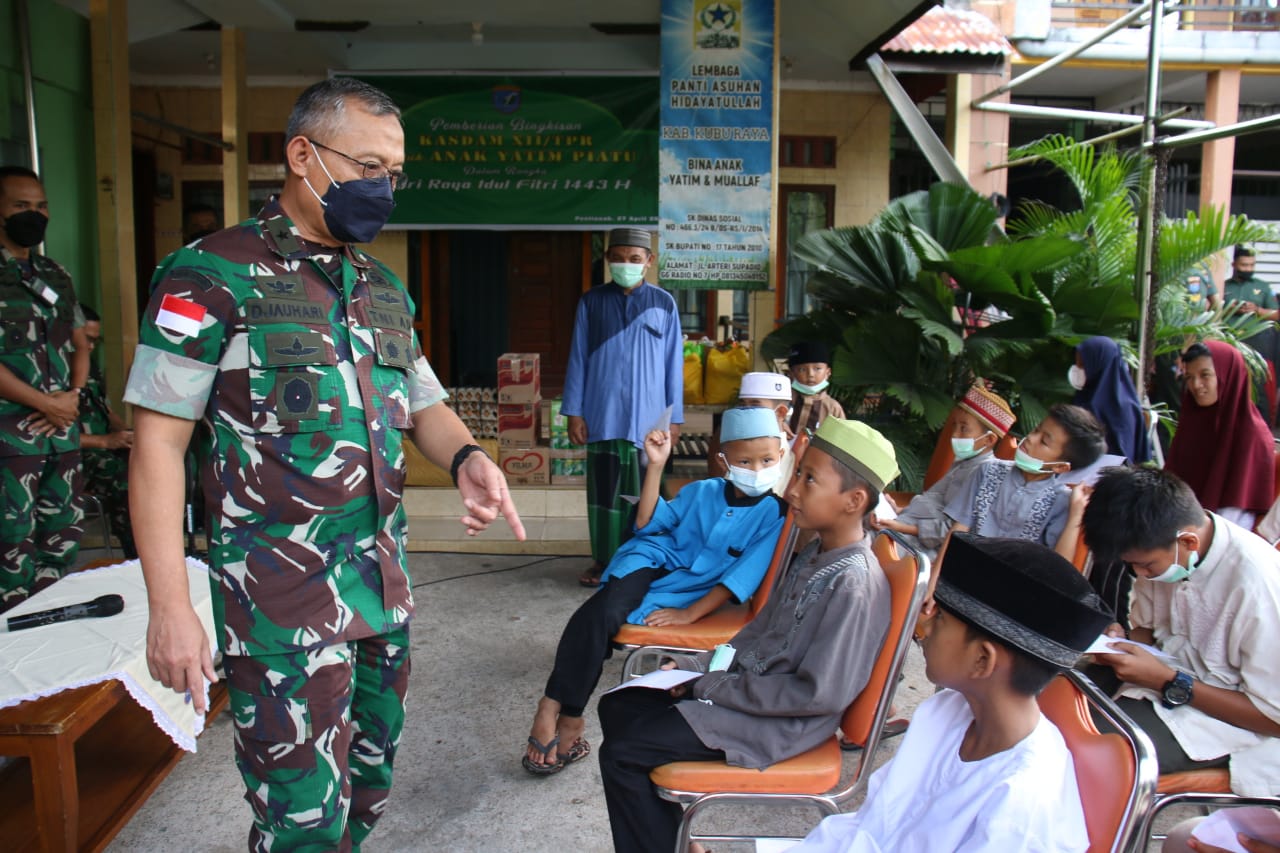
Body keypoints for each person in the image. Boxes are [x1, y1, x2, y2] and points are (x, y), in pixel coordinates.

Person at [124, 77, 525, 851]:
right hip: (278, 606)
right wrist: (171, 606)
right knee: (301, 820)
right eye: (367, 165)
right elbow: (158, 447)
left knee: (366, 796)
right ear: (303, 155)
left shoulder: (380, 288)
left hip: (380, 594)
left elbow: (423, 400)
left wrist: (470, 455)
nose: (382, 187)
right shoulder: (209, 275)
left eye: (394, 172)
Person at [597, 417, 898, 853]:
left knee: (623, 753)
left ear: (853, 500)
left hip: (779, 723)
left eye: (809, 479)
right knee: (621, 705)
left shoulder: (852, 584)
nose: (792, 489)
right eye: (797, 473)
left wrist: (712, 685)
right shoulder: (817, 553)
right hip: (749, 697)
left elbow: (818, 695)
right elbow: (757, 633)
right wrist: (693, 666)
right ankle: (679, 843)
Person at [789, 534, 1114, 852]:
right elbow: (871, 827)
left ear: (982, 659)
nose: (924, 629)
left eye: (940, 618)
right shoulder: (944, 711)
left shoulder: (1020, 808)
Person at [524, 407, 787, 776]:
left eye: (766, 459)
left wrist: (690, 614)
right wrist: (656, 466)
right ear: (724, 460)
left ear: (782, 457)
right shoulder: (703, 490)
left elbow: (740, 579)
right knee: (602, 613)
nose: (757, 469)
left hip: (689, 590)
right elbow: (648, 522)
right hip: (650, 559)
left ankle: (560, 709)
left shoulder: (776, 514)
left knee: (600, 618)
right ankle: (561, 711)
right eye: (745, 460)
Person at [1082, 466, 1280, 796]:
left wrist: (1169, 681)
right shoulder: (1167, 550)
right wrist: (1121, 643)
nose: (1139, 573)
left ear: (1188, 541)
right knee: (1044, 708)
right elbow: (1150, 629)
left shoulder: (1259, 589)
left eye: (1146, 566)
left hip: (1229, 723)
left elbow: (1273, 717)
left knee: (1085, 752)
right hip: (1160, 681)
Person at [563, 227, 683, 588]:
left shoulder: (664, 304)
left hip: (650, 421)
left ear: (649, 261)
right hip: (603, 415)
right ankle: (603, 561)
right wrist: (574, 411)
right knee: (604, 494)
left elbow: (673, 364)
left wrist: (674, 418)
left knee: (643, 492)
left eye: (634, 258)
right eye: (618, 257)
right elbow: (578, 359)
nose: (626, 264)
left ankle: (640, 561)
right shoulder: (591, 302)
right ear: (607, 259)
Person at [0, 164, 90, 611]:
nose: (34, 215)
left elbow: (80, 343)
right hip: (12, 439)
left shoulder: (54, 274)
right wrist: (44, 404)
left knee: (63, 539)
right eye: (21, 206)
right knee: (10, 547)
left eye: (40, 206)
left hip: (61, 434)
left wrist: (72, 397)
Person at [871, 383, 1015, 563]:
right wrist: (897, 510)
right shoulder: (963, 462)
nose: (954, 434)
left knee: (868, 546)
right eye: (955, 426)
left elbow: (951, 530)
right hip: (903, 525)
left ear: (989, 439)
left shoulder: (985, 474)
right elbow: (935, 503)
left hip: (923, 548)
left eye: (964, 428)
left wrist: (900, 526)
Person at [945, 403, 1106, 561]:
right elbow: (957, 533)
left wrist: (1075, 516)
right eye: (1036, 430)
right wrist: (934, 584)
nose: (1030, 438)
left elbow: (1058, 569)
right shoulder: (987, 471)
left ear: (1059, 467)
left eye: (1043, 442)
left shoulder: (1061, 502)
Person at [1165, 341, 1274, 531]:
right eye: (1189, 377)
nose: (1196, 385)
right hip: (1178, 524)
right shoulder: (1194, 420)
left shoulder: (1252, 433)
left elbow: (1238, 511)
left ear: (1228, 374)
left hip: (1221, 536)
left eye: (1205, 375)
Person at [76, 304, 137, 559]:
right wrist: (105, 441)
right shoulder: (51, 375)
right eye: (85, 340)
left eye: (94, 342)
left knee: (151, 460)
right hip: (77, 455)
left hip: (104, 447)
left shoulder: (88, 370)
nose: (90, 348)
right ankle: (136, 554)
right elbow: (47, 436)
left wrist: (131, 434)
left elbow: (106, 413)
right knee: (125, 478)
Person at [1071, 336, 1152, 464]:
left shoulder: (1122, 410)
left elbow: (1122, 459)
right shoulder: (1086, 395)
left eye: (1082, 364)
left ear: (1098, 365)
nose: (1077, 369)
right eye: (1076, 363)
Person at [1222, 245, 1280, 425]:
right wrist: (1230, 308)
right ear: (1234, 264)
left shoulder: (1262, 287)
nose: (1248, 269)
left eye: (1251, 265)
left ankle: (1262, 429)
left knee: (1259, 387)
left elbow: (1276, 314)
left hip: (1257, 344)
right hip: (1230, 341)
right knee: (1230, 385)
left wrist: (1257, 309)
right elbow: (1211, 308)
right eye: (1244, 265)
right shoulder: (1223, 286)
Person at [707, 370, 793, 480]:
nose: (746, 411)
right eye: (743, 405)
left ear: (780, 412)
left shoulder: (793, 453)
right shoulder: (734, 439)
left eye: (755, 406)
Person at [787, 341, 844, 437]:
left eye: (817, 368)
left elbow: (840, 438)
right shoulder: (784, 400)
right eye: (802, 369)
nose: (810, 374)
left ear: (827, 372)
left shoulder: (833, 408)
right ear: (791, 374)